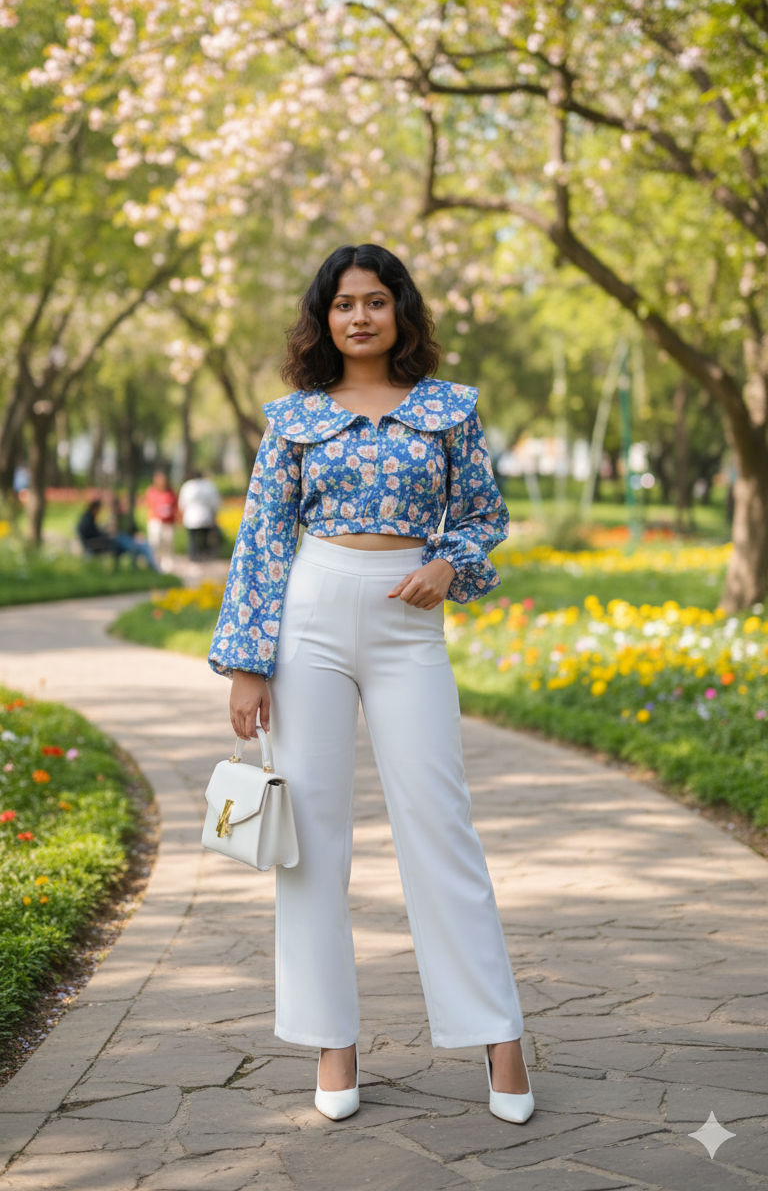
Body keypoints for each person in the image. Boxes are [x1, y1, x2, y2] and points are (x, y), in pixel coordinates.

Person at [208, 244, 533, 1126]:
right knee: (309, 836)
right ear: (324, 319)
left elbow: (483, 516)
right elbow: (263, 541)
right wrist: (246, 664)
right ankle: (332, 1042)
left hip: (407, 622)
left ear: (402, 314)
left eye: (377, 302)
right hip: (309, 614)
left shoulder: (447, 412)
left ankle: (499, 1036)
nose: (360, 317)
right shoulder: (293, 419)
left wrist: (449, 564)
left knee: (441, 821)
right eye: (344, 303)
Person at [77, 498, 159, 571]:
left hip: (101, 542)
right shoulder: (88, 520)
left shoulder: (87, 518)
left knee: (140, 545)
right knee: (138, 546)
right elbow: (95, 534)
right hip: (98, 544)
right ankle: (153, 568)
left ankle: (150, 567)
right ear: (95, 509)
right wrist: (108, 534)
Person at [178, 470, 221, 562]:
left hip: (191, 517)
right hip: (206, 516)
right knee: (205, 538)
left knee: (192, 539)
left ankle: (193, 557)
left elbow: (182, 503)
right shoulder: (208, 486)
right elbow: (215, 502)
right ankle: (204, 556)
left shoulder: (187, 486)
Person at [144, 471, 178, 571]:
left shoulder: (171, 492)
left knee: (168, 544)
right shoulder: (152, 491)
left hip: (168, 522)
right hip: (156, 521)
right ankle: (155, 563)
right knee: (155, 543)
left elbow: (175, 506)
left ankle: (167, 565)